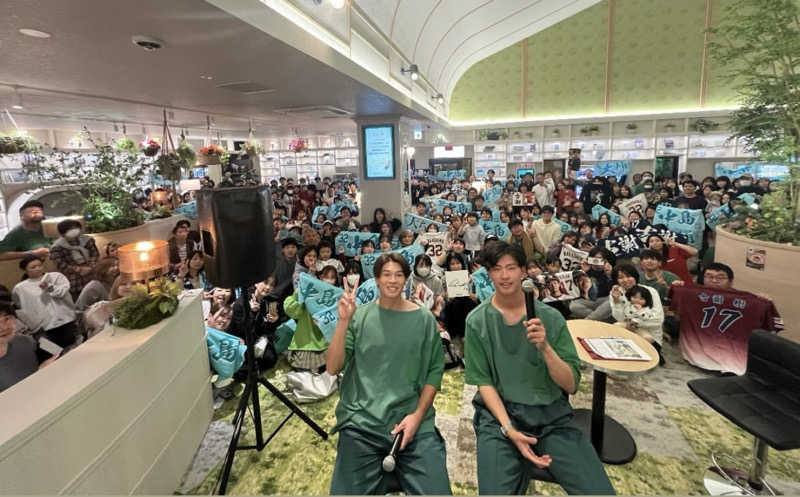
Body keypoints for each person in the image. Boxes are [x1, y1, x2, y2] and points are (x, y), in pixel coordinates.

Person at [464, 241, 614, 495]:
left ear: (524, 272)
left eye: (511, 267)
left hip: (551, 417)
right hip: (501, 417)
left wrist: (545, 347)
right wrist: (509, 429)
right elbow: (484, 383)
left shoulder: (551, 319)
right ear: (488, 273)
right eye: (497, 269)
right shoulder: (477, 321)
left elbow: (570, 385)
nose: (504, 275)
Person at [326, 253, 451, 495]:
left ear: (406, 279)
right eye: (386, 275)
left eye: (398, 275)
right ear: (376, 279)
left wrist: (417, 416)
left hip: (412, 423)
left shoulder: (424, 319)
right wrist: (343, 321)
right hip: (362, 423)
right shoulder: (360, 316)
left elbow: (434, 372)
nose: (392, 280)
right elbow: (332, 367)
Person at [671, 263, 783, 375]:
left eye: (720, 277)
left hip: (734, 355)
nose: (714, 281)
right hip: (698, 353)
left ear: (731, 281)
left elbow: (772, 326)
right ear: (703, 278)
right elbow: (673, 313)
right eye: (709, 277)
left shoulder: (750, 301)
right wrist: (678, 287)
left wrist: (763, 301)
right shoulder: (689, 293)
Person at [12, 255, 79, 349]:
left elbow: (62, 292)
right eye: (33, 267)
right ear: (25, 270)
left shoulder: (56, 276)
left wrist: (49, 287)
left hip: (66, 320)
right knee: (54, 353)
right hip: (44, 327)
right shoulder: (20, 288)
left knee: (74, 347)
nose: (38, 268)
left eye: (40, 265)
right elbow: (20, 305)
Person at [0, 301, 59, 393]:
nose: (3, 327)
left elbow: (58, 351)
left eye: (7, 319)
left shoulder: (26, 339)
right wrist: (39, 374)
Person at [49, 219, 100, 300]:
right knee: (79, 300)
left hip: (91, 270)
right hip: (72, 277)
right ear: (62, 234)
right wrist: (79, 269)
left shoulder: (87, 240)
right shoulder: (57, 247)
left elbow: (95, 254)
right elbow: (61, 264)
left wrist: (90, 267)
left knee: (97, 292)